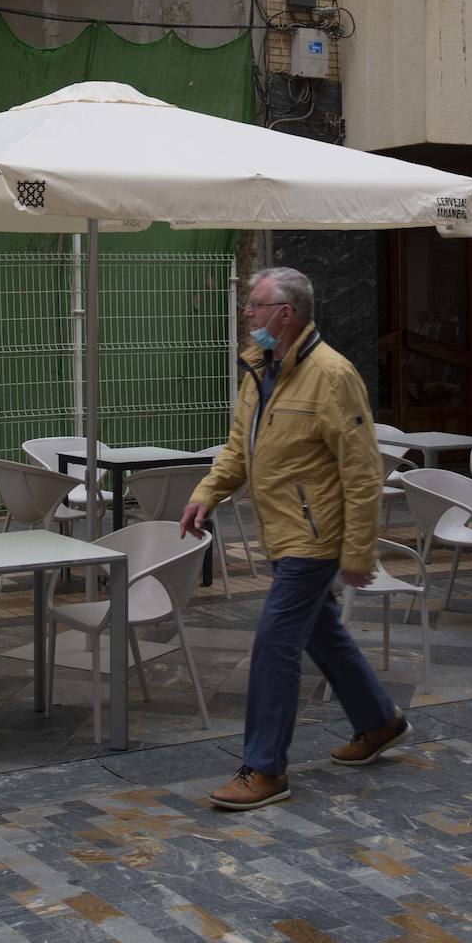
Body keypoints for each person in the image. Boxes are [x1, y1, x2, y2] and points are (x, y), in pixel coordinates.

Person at [180, 266, 409, 810]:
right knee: (321, 632)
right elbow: (241, 447)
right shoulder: (259, 368)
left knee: (275, 642)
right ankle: (379, 721)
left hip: (316, 535)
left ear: (285, 313)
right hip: (283, 532)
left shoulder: (333, 375)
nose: (248, 316)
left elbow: (361, 469)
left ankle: (264, 768)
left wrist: (357, 552)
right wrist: (207, 493)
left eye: (255, 306)